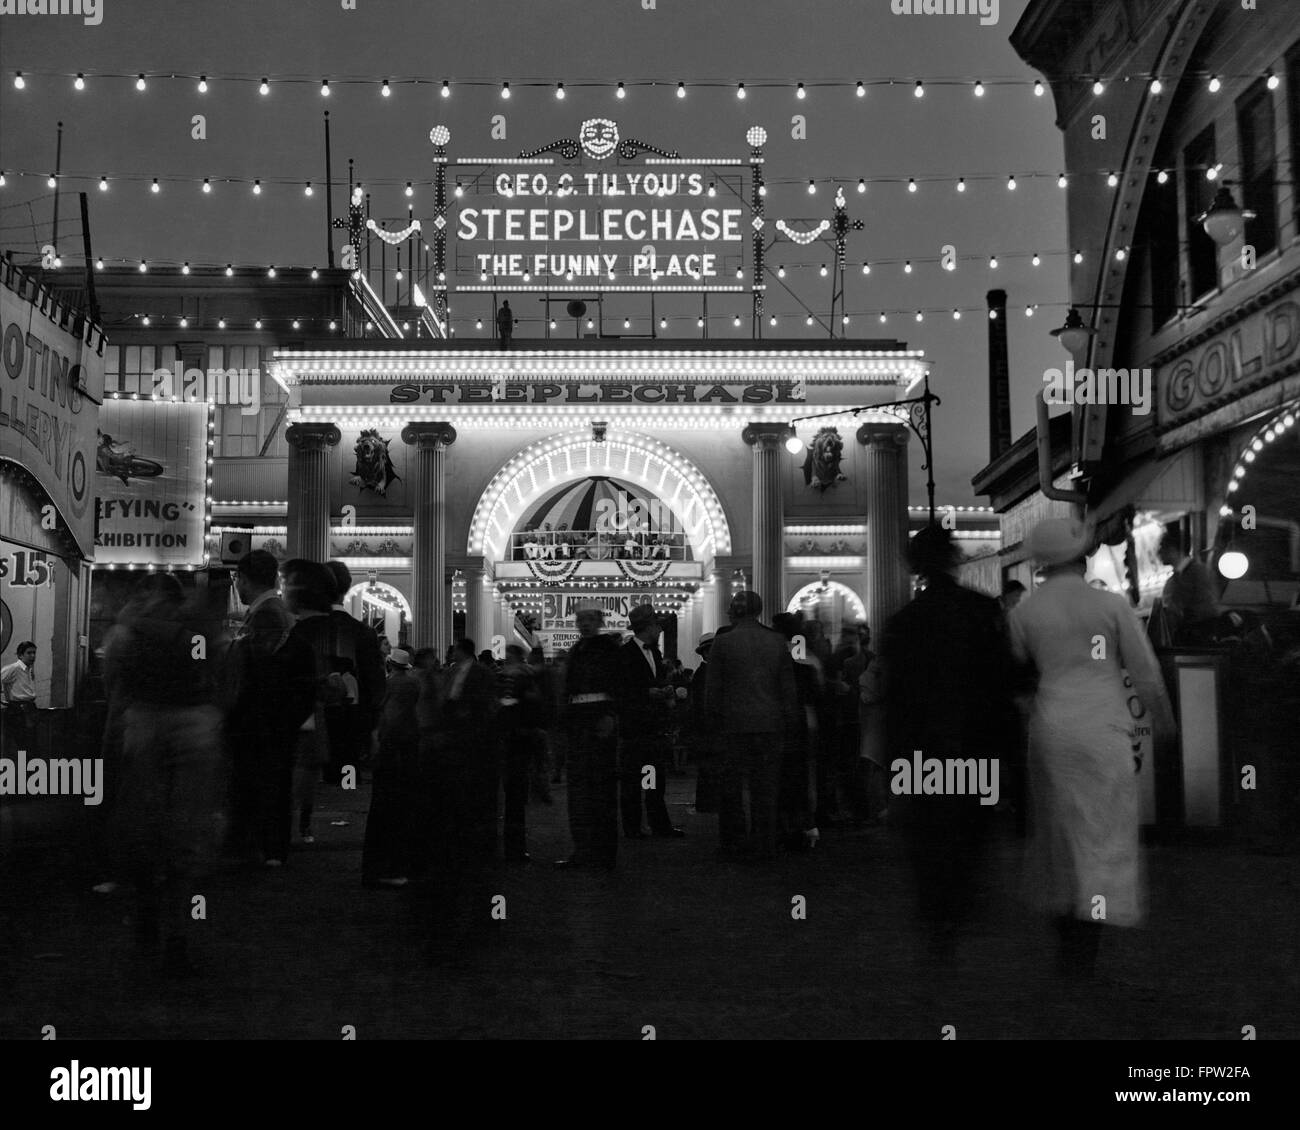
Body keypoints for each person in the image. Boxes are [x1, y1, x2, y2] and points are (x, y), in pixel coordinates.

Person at [1009, 517, 1176, 980]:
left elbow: (1018, 679)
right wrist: (1162, 720)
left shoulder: (1023, 613)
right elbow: (1144, 671)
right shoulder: (1110, 605)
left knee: (1058, 832)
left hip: (1051, 729)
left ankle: (1066, 929)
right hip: (1104, 727)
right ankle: (1089, 935)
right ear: (1083, 560)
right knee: (1102, 832)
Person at [879, 525, 1018, 960]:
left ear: (914, 566)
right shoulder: (980, 612)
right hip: (973, 746)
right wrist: (1007, 754)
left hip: (921, 753)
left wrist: (892, 765)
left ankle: (938, 922)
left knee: (929, 839)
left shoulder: (903, 623)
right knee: (969, 832)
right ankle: (957, 906)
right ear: (955, 559)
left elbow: (894, 702)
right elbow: (1002, 686)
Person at [102, 574, 225, 975]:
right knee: (184, 833)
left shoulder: (127, 632)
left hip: (147, 723)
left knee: (145, 825)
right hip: (192, 724)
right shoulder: (195, 629)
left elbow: (115, 688)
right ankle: (176, 932)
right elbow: (210, 672)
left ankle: (152, 915)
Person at [223, 550, 315, 867]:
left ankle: (267, 848)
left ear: (244, 579)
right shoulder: (271, 612)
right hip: (271, 719)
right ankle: (268, 846)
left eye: (238, 580)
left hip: (263, 719)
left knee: (266, 783)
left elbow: (258, 671)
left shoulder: (266, 615)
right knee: (270, 783)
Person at [707, 591, 797, 860]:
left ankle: (733, 842)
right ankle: (764, 843)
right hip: (770, 723)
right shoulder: (776, 641)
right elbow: (787, 689)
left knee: (731, 789)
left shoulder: (722, 643)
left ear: (734, 610)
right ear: (759, 610)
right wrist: (789, 722)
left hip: (733, 724)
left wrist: (711, 724)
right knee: (766, 788)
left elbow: (713, 691)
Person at [426, 638, 499, 961]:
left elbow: (483, 706)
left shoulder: (479, 675)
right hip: (456, 742)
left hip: (469, 741)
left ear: (462, 650)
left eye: (454, 649)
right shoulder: (453, 673)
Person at [554, 600, 624, 869]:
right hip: (578, 724)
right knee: (580, 790)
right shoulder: (576, 649)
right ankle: (583, 849)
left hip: (598, 722)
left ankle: (602, 852)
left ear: (599, 621)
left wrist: (610, 715)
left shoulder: (608, 649)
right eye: (580, 619)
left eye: (589, 619)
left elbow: (619, 684)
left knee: (601, 789)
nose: (584, 623)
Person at [617, 604, 684, 839]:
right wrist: (648, 693)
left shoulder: (654, 653)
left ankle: (658, 824)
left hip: (653, 727)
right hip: (634, 727)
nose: (660, 630)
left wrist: (663, 690)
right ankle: (634, 827)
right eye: (657, 625)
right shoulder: (625, 654)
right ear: (648, 627)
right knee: (633, 780)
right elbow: (621, 691)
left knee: (654, 777)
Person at [321, 561, 387, 785]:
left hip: (312, 729)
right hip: (353, 724)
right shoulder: (364, 633)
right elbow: (376, 685)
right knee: (346, 780)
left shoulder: (302, 630)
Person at [362, 647, 421, 887]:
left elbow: (388, 718)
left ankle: (380, 867)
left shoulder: (390, 685)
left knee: (385, 806)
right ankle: (394, 865)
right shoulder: (413, 684)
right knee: (401, 807)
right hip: (407, 748)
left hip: (390, 750)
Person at [497, 644, 540, 862]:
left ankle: (511, 846)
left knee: (511, 793)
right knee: (516, 796)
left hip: (509, 738)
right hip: (520, 739)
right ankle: (515, 847)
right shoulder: (525, 678)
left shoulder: (507, 678)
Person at [1153, 528, 1219, 646]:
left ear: (1173, 550)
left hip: (1197, 642)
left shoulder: (1199, 572)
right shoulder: (1175, 578)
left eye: (1161, 548)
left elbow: (1208, 608)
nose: (1158, 554)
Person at [688, 631, 721, 813]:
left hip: (706, 729)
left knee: (709, 768)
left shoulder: (703, 672)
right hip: (708, 729)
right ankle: (708, 802)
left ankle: (708, 801)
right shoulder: (704, 674)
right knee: (710, 768)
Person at [1, 640, 39, 756]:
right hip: (18, 710)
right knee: (23, 744)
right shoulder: (14, 668)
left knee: (31, 744)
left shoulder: (28, 669)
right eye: (29, 653)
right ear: (20, 655)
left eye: (34, 653)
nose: (33, 656)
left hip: (29, 708)